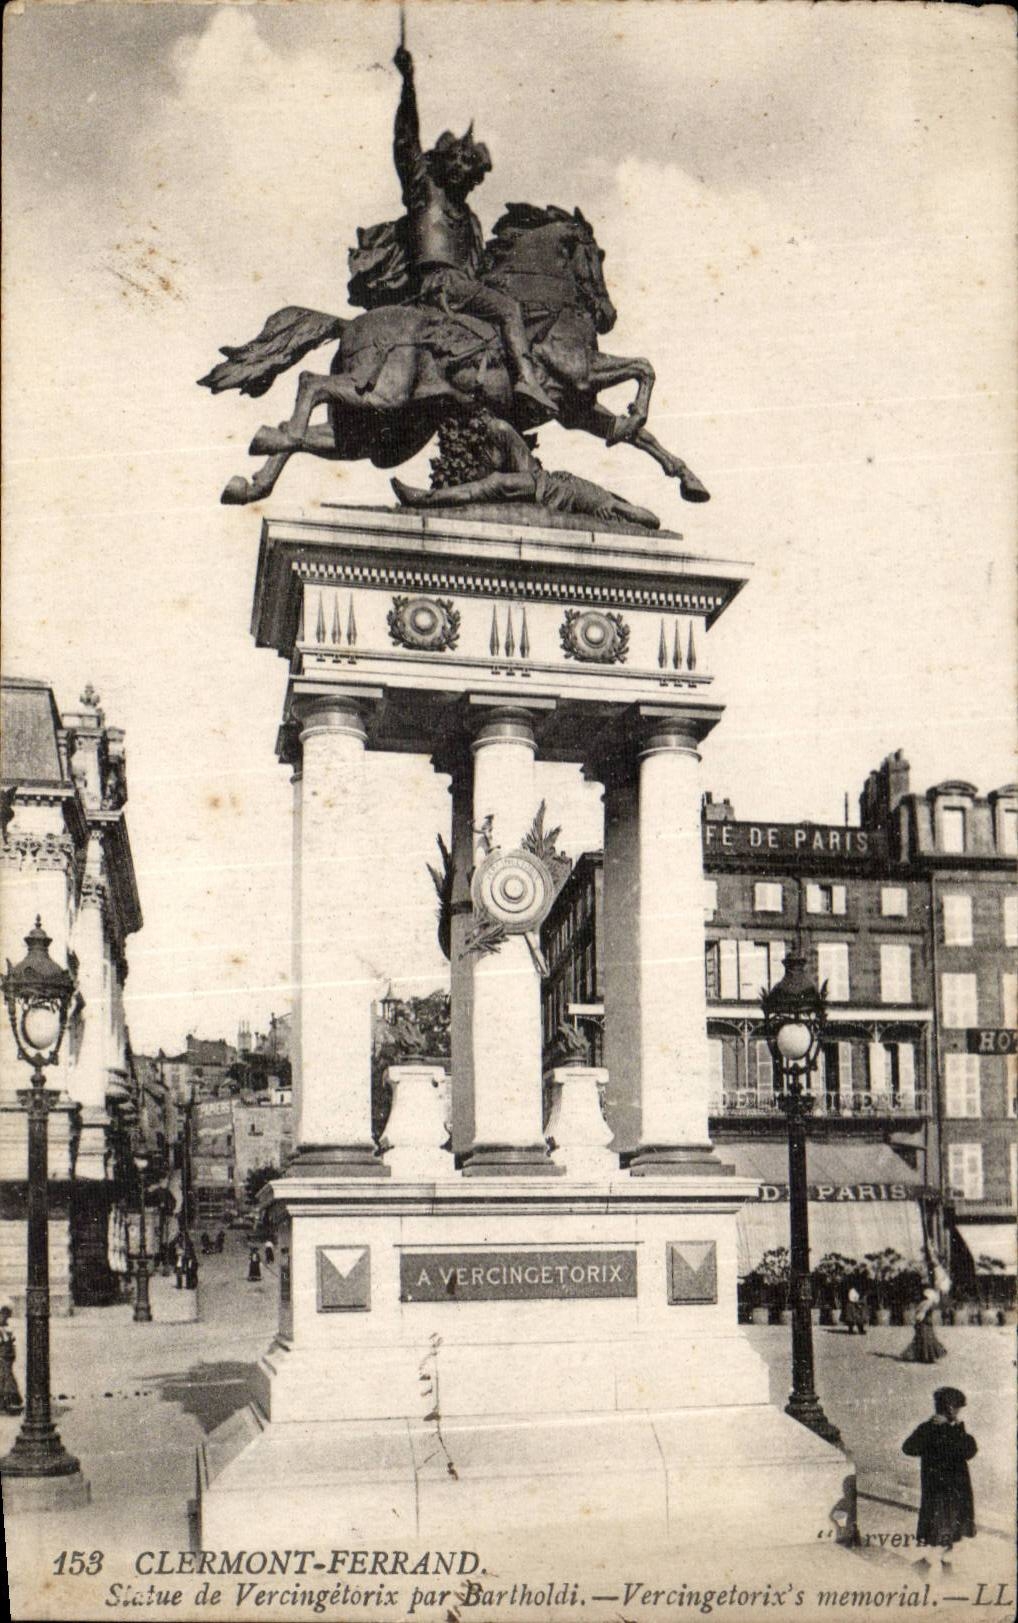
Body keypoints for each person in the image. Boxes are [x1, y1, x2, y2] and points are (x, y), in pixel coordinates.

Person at [388, 44, 555, 414]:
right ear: (448, 165)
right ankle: (527, 381)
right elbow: (405, 141)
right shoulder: (423, 192)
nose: (471, 179)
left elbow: (479, 270)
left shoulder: (472, 220)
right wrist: (408, 84)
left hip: (464, 289)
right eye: (465, 169)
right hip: (440, 286)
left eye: (475, 176)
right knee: (509, 309)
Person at [392, 410, 660, 530]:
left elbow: (653, 522)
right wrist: (618, 506)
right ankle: (470, 486)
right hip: (544, 477)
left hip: (545, 492)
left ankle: (428, 499)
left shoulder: (606, 512)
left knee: (497, 482)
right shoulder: (612, 502)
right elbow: (649, 517)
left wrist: (614, 510)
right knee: (500, 429)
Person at [902, 1387, 977, 1564]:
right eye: (957, 1408)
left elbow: (909, 1447)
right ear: (950, 1408)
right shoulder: (948, 1430)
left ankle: (944, 1563)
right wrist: (955, 1428)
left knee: (947, 1530)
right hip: (947, 1491)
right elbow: (968, 1450)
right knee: (946, 1528)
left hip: (941, 1489)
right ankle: (925, 1564)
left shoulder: (929, 1428)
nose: (959, 1412)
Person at [901, 1260, 949, 1364]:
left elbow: (929, 1301)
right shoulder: (922, 1283)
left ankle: (927, 1355)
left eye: (923, 1269)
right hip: (924, 1306)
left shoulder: (930, 1286)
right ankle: (924, 1355)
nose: (921, 1271)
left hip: (925, 1308)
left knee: (925, 1331)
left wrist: (922, 1311)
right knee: (922, 1331)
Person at [0, 1302, 23, 1415]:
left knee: (6, 1377)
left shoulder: (6, 1329)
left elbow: (10, 1341)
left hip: (6, 1356)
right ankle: (8, 1402)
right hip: (4, 1356)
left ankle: (9, 1402)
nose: (3, 1318)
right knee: (5, 1377)